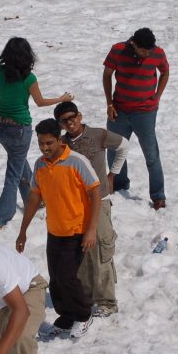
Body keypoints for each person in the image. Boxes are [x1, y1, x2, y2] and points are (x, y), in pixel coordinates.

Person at [0, 37, 73, 231]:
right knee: (13, 174)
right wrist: (62, 99)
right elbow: (40, 102)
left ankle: (34, 198)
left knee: (18, 161)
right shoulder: (29, 78)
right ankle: (0, 219)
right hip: (19, 130)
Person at [15, 119, 100, 339]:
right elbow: (34, 197)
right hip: (55, 231)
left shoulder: (76, 161)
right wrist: (23, 231)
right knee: (56, 279)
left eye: (49, 143)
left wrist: (91, 230)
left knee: (67, 276)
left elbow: (95, 192)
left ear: (59, 140)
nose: (44, 148)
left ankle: (83, 315)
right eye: (41, 143)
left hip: (77, 230)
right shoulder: (40, 165)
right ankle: (66, 316)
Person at [53, 101, 129, 317]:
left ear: (80, 115)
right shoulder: (62, 144)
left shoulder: (98, 135)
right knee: (81, 252)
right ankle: (85, 296)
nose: (70, 123)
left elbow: (124, 145)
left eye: (72, 117)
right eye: (64, 121)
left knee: (102, 250)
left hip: (100, 200)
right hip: (75, 205)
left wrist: (112, 174)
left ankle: (107, 301)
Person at [102, 27, 170, 210]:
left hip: (145, 112)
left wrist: (157, 97)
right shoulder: (118, 50)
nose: (147, 54)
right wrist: (109, 104)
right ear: (133, 44)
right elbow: (107, 75)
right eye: (143, 51)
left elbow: (165, 72)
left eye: (149, 50)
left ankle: (158, 195)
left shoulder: (157, 53)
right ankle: (119, 186)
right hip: (119, 110)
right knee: (114, 149)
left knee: (151, 154)